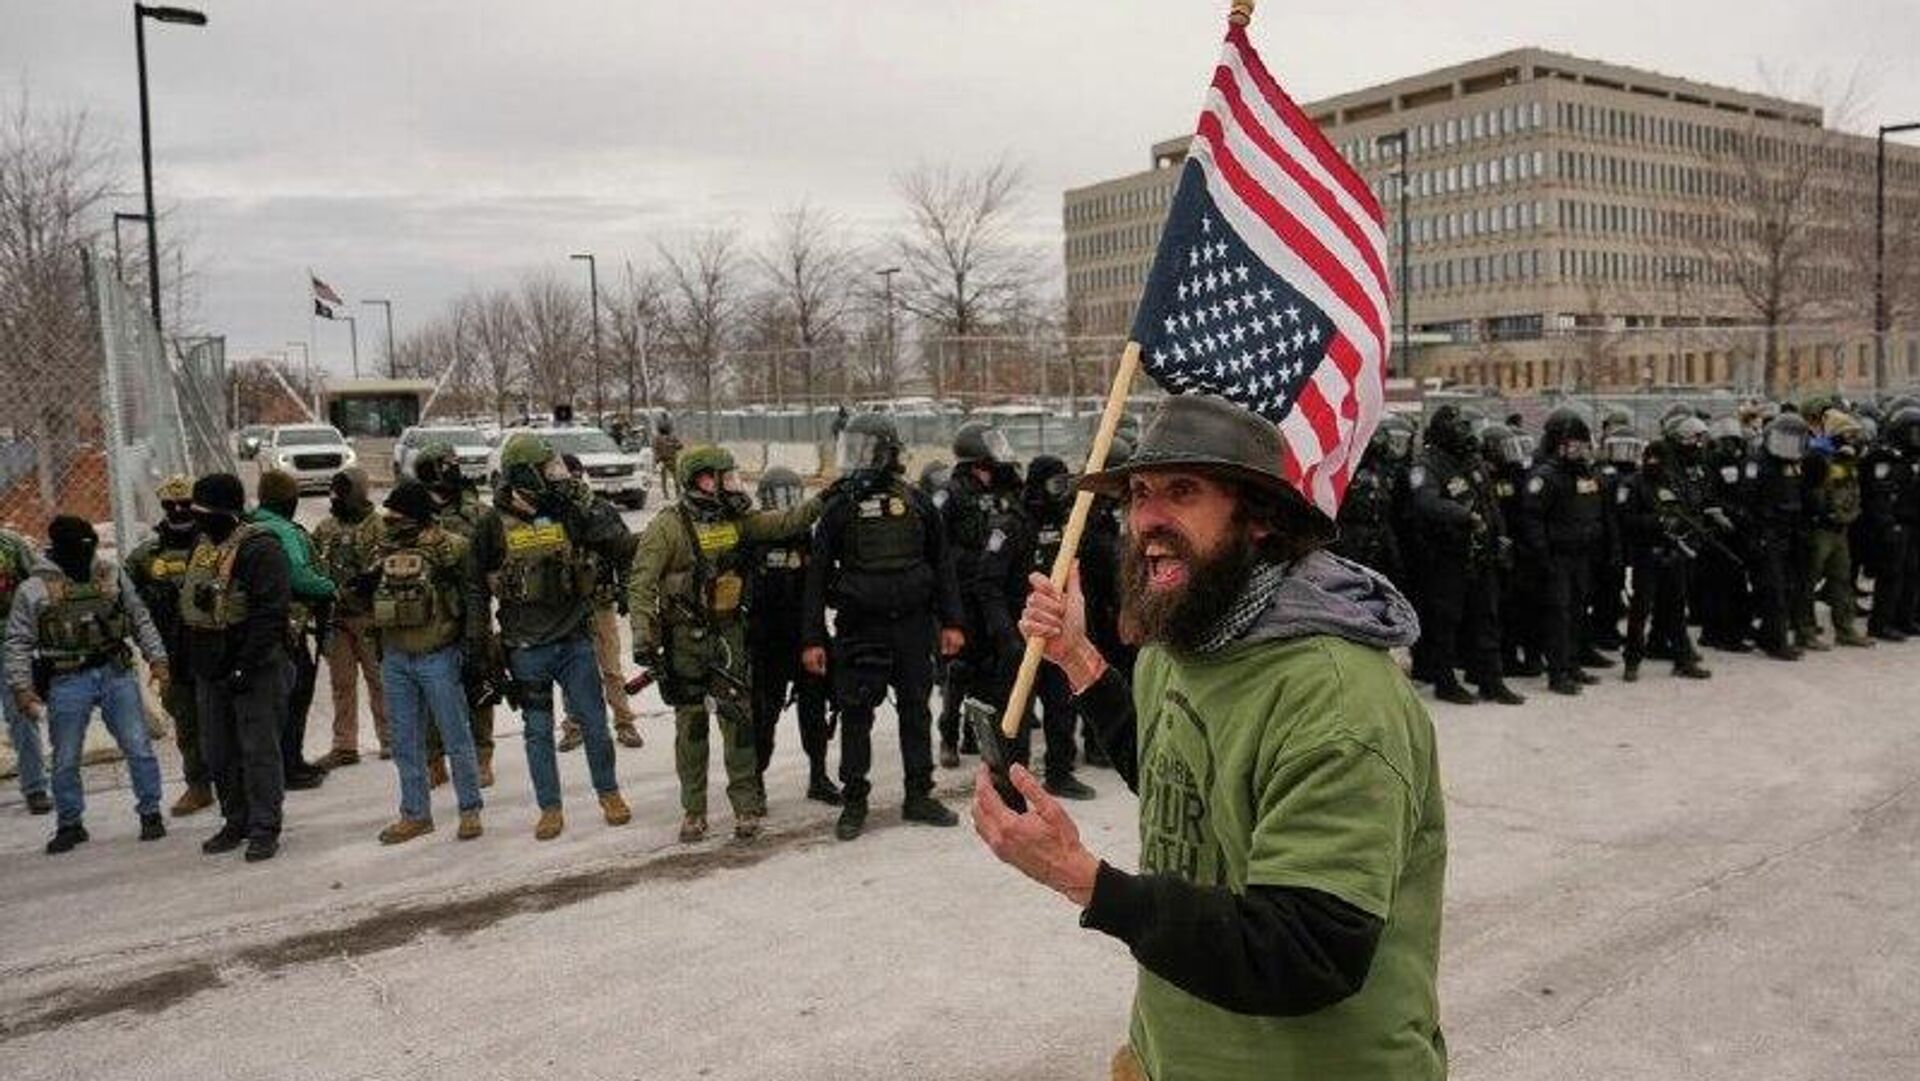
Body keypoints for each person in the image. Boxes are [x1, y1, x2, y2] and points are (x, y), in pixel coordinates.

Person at [975, 395, 1444, 1081]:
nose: (1147, 519)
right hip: (1172, 1052)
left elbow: (1309, 949)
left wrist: (1079, 875)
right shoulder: (1186, 637)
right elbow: (1175, 771)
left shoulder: (1336, 698)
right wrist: (1077, 656)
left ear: (1259, 517)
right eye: (1139, 494)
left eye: (1183, 491)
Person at [630, 445, 822, 843]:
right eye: (726, 477)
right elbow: (641, 584)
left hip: (730, 635)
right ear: (703, 480)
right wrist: (643, 637)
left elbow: (786, 522)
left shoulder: (739, 521)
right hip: (685, 642)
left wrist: (825, 499)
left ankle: (746, 808)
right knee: (691, 728)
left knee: (739, 724)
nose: (734, 484)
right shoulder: (668, 527)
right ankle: (694, 811)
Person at [801, 415, 966, 841]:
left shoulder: (917, 503)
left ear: (888, 453)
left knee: (916, 710)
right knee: (856, 715)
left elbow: (943, 565)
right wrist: (812, 639)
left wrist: (952, 621)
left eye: (866, 448)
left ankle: (919, 795)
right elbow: (816, 578)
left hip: (913, 627)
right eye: (851, 447)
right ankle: (854, 801)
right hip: (860, 628)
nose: (857, 457)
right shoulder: (839, 508)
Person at [468, 433, 636, 840]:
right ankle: (550, 808)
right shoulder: (492, 524)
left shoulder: (566, 511)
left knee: (594, 723)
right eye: (548, 469)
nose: (556, 475)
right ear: (526, 473)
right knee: (538, 732)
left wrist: (586, 502)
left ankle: (609, 793)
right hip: (526, 648)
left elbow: (618, 543)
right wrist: (478, 643)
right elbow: (475, 587)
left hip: (574, 640)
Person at [6, 516, 171, 854]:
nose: (83, 554)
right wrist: (21, 686)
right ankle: (70, 823)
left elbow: (138, 617)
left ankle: (150, 812)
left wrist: (158, 659)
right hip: (66, 677)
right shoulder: (35, 588)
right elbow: (18, 641)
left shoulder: (109, 574)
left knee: (138, 747)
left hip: (114, 670)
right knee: (65, 757)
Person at [179, 473, 293, 862]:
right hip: (210, 665)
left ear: (226, 511)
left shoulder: (261, 549)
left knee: (259, 750)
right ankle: (235, 819)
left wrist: (245, 664)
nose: (196, 518)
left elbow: (270, 614)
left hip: (254, 665)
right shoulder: (203, 546)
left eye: (203, 511)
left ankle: (265, 826)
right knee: (219, 750)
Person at [367, 481, 484, 844]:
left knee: (456, 736)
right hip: (396, 656)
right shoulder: (382, 548)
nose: (389, 519)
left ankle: (470, 810)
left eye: (396, 513)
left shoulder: (452, 547)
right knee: (404, 741)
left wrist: (475, 646)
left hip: (439, 653)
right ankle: (415, 814)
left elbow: (474, 597)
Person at [1408, 405, 1524, 705]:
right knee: (1446, 621)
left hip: (1481, 553)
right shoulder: (1427, 464)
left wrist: (1501, 535)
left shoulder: (1473, 461)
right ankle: (1445, 682)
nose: (1467, 434)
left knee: (1487, 618)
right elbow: (1426, 502)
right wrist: (1463, 515)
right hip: (1447, 555)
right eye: (1461, 428)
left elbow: (1489, 503)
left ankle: (1491, 681)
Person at [746, 467, 837, 806]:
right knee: (763, 717)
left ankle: (818, 776)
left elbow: (826, 585)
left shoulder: (810, 539)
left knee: (815, 712)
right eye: (779, 497)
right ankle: (755, 781)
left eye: (791, 497)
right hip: (766, 643)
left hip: (807, 638)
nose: (786, 505)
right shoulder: (752, 538)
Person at [935, 420, 1025, 762]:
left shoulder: (1003, 489)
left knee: (990, 667)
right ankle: (948, 734)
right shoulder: (951, 493)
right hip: (962, 594)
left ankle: (975, 733)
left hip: (993, 593)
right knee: (960, 668)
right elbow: (936, 546)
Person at [1009, 455, 1096, 800]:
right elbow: (990, 583)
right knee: (1019, 713)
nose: (1059, 492)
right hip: (1023, 633)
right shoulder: (1016, 523)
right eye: (1053, 484)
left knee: (1062, 707)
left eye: (1064, 484)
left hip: (1057, 632)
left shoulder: (1066, 522)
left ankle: (1060, 773)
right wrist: (1005, 635)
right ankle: (1014, 782)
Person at [127, 476, 214, 816]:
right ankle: (198, 785)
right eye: (170, 505)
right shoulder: (145, 557)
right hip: (173, 654)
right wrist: (151, 652)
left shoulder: (216, 546)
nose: (178, 511)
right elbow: (129, 607)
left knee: (225, 720)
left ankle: (237, 782)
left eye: (185, 504)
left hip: (214, 649)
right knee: (187, 724)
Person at [413, 441, 498, 787]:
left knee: (479, 685)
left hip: (472, 613)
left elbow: (496, 563)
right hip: (428, 618)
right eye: (446, 464)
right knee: (429, 692)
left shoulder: (478, 513)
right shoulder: (413, 512)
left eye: (454, 463)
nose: (454, 469)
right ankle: (434, 759)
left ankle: (482, 757)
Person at [248, 469, 338, 790]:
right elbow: (299, 577)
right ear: (291, 501)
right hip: (289, 627)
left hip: (254, 628)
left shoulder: (248, 526)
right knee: (296, 695)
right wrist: (330, 587)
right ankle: (291, 765)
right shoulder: (283, 532)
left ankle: (280, 765)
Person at [1518, 408, 1613, 695]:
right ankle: (1557, 672)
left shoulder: (1583, 473)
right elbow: (1532, 519)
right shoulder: (1546, 476)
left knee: (1577, 611)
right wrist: (1543, 554)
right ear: (1560, 445)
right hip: (1556, 556)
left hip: (1580, 554)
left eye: (1583, 446)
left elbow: (1594, 509)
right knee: (1558, 615)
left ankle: (1573, 664)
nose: (1579, 451)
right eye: (1574, 446)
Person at [556, 454, 645, 754]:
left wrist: (626, 589)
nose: (571, 482)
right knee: (572, 670)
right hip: (567, 606)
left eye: (574, 475)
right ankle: (574, 725)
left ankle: (624, 722)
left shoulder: (602, 510)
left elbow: (624, 552)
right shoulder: (552, 512)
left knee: (611, 667)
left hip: (600, 601)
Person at [1617, 431, 1713, 682]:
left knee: (1676, 609)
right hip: (1646, 554)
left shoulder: (1673, 482)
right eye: (1650, 458)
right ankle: (1632, 660)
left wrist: (1686, 530)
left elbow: (1687, 510)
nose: (1654, 463)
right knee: (1640, 610)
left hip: (1673, 553)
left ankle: (1683, 660)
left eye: (1659, 459)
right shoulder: (1633, 484)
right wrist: (1657, 521)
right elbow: (1626, 520)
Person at [310, 468, 392, 767]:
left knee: (379, 681)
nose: (336, 498)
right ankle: (345, 745)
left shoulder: (379, 527)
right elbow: (314, 566)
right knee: (341, 684)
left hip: (370, 617)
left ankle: (391, 739)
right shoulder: (325, 528)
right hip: (337, 619)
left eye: (342, 492)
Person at [1798, 412, 1873, 648]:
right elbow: (1812, 493)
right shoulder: (1817, 457)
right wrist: (1822, 514)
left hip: (1840, 528)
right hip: (1820, 529)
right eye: (1848, 433)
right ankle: (1805, 632)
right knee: (1807, 581)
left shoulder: (1845, 457)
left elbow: (1850, 488)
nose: (1853, 438)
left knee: (1841, 580)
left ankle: (1845, 629)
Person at [1748, 413, 1813, 661]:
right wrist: (1759, 532)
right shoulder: (1758, 462)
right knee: (1773, 589)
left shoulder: (1794, 463)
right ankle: (1777, 641)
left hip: (1790, 531)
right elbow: (1749, 500)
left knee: (1789, 586)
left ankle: (1770, 635)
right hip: (1768, 532)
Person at [0, 522, 49, 816]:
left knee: (21, 713)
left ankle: (35, 788)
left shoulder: (10, 545)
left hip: (9, 644)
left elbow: (40, 581)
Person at [1862, 406, 1919, 640]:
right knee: (1891, 574)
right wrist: (1887, 524)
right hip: (1894, 523)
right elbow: (1878, 494)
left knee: (1912, 572)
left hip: (1912, 522)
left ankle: (1905, 618)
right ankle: (1881, 623)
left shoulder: (1910, 456)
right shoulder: (1883, 456)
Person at [652, 416, 683, 501]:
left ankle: (677, 493)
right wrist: (657, 460)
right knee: (664, 479)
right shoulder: (657, 438)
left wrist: (673, 445)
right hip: (663, 460)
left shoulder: (671, 437)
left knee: (676, 478)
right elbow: (655, 449)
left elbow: (680, 446)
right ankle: (666, 495)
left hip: (671, 459)